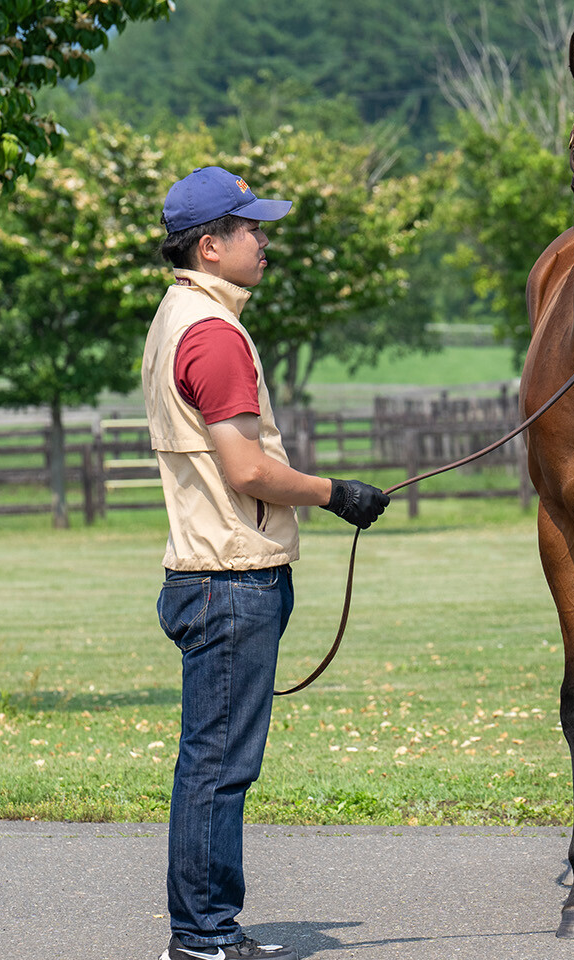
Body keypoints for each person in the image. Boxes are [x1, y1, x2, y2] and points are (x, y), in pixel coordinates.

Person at [145, 166, 390, 960]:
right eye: (250, 228)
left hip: (212, 574)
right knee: (220, 768)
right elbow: (247, 471)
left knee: (211, 763)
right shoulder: (214, 335)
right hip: (231, 579)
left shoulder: (180, 317)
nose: (264, 239)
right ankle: (205, 936)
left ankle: (202, 930)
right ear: (210, 247)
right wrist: (335, 492)